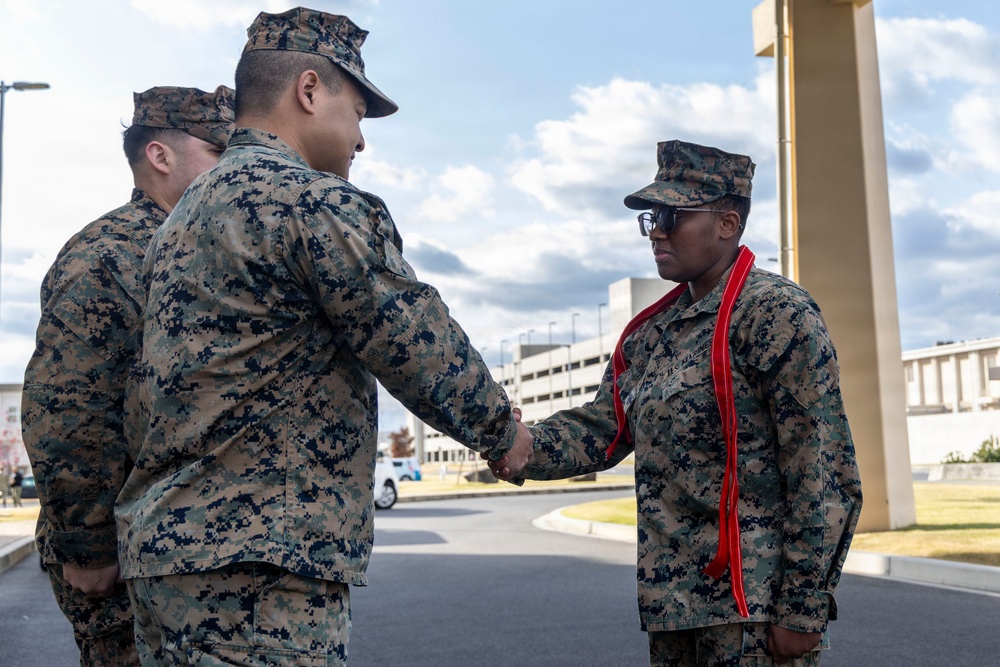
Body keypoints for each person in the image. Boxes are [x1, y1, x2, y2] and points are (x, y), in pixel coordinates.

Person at [114, 8, 534, 665]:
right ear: (309, 90)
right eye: (359, 112)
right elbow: (416, 342)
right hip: (260, 571)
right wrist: (503, 434)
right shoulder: (313, 204)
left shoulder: (180, 220)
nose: (362, 140)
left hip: (168, 560)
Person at [489, 140, 863, 666]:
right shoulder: (650, 335)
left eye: (672, 215)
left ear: (728, 223)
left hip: (751, 612)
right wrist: (521, 445)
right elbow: (603, 428)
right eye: (651, 217)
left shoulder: (775, 314)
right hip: (673, 609)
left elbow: (821, 468)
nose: (656, 230)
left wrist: (803, 609)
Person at [21, 85, 235, 667]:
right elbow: (67, 408)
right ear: (160, 156)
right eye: (219, 153)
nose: (235, 168)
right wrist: (87, 546)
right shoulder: (108, 254)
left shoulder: (198, 245)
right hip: (120, 558)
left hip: (185, 548)